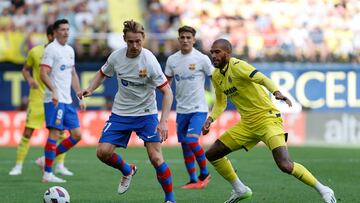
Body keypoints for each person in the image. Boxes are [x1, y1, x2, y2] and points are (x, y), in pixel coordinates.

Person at [202, 39, 336, 203]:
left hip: (267, 119)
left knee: (285, 165)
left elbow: (262, 78)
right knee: (213, 154)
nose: (213, 56)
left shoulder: (238, 66)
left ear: (227, 53)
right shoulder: (216, 76)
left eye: (217, 52)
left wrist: (276, 92)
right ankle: (240, 190)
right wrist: (210, 119)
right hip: (247, 124)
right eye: (212, 52)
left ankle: (324, 190)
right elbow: (221, 102)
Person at [80, 20, 175, 203]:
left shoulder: (149, 61)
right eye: (130, 41)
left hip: (146, 114)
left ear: (143, 39)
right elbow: (102, 73)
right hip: (121, 113)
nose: (134, 46)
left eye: (138, 41)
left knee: (156, 158)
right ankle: (127, 170)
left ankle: (170, 199)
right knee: (102, 153)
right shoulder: (116, 57)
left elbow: (168, 92)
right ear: (124, 39)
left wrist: (163, 121)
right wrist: (90, 89)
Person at [9, 24, 73, 177]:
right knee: (28, 132)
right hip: (38, 99)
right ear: (50, 36)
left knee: (61, 133)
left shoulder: (64, 52)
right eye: (55, 35)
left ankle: (60, 165)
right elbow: (25, 69)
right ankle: (18, 165)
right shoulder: (36, 52)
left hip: (56, 100)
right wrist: (30, 79)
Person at [165, 25, 212, 189]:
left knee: (192, 141)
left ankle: (205, 173)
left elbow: (215, 79)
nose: (185, 40)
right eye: (182, 37)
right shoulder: (172, 60)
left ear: (193, 40)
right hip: (182, 110)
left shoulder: (202, 59)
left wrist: (217, 103)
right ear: (179, 39)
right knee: (185, 145)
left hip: (199, 108)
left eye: (188, 37)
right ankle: (193, 179)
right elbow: (166, 83)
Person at [38, 19, 86, 183]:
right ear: (56, 32)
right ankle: (48, 174)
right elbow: (43, 73)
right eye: (62, 29)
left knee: (77, 135)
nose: (66, 32)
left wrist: (80, 95)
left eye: (68, 29)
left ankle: (45, 160)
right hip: (55, 100)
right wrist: (54, 90)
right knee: (55, 133)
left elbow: (72, 73)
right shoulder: (51, 49)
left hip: (67, 100)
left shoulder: (70, 50)